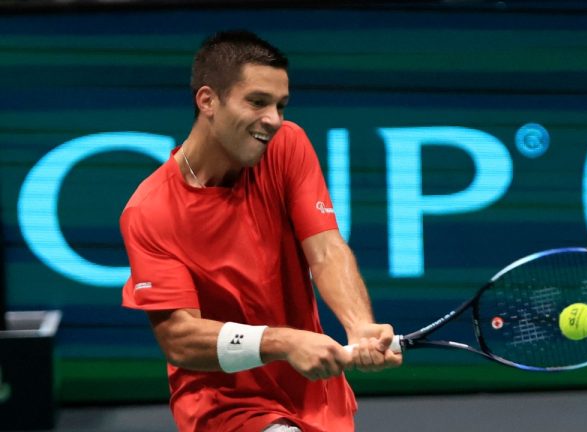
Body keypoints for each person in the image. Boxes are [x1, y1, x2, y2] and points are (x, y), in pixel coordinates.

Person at [120, 30, 401, 432]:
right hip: (225, 405)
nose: (273, 119)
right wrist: (284, 342)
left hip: (311, 392)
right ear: (208, 101)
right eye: (257, 102)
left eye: (280, 105)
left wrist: (358, 324)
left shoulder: (288, 145)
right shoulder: (149, 211)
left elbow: (325, 249)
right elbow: (179, 338)